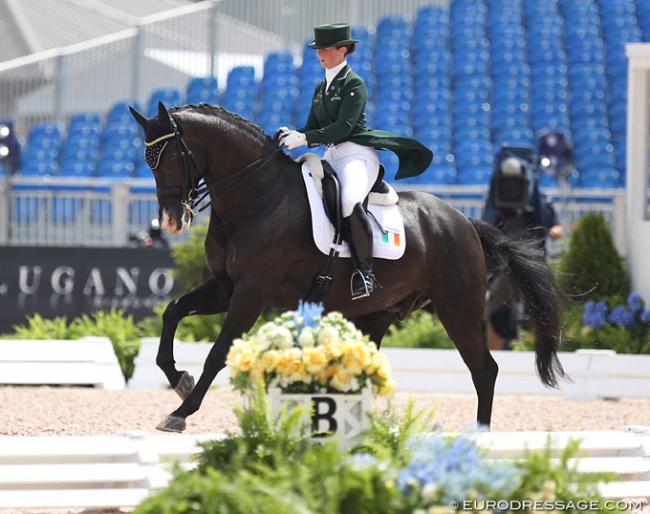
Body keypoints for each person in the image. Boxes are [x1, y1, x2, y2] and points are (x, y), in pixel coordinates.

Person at [276, 23, 433, 300]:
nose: (320, 54)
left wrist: (304, 138)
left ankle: (365, 272)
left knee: (349, 200)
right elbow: (312, 126)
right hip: (330, 155)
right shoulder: (320, 87)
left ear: (343, 49)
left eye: (325, 48)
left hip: (356, 154)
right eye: (318, 49)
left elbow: (344, 127)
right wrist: (294, 133)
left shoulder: (354, 84)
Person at [481, 146, 563, 349]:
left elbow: (556, 226)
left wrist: (554, 231)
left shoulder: (542, 203)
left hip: (534, 267)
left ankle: (537, 357)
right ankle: (491, 362)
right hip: (503, 268)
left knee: (539, 314)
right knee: (497, 314)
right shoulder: (496, 202)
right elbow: (486, 227)